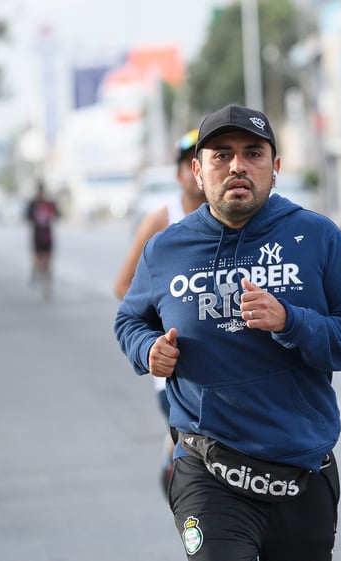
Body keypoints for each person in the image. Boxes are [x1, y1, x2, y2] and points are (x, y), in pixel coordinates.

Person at [114, 104, 341, 560]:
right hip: (206, 467)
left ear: (274, 168)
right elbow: (129, 321)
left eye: (253, 153)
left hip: (300, 468)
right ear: (198, 171)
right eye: (221, 155)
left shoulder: (317, 236)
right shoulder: (166, 249)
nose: (237, 165)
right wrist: (146, 349)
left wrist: (290, 321)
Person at [113, 128, 207, 493]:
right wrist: (158, 336)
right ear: (182, 173)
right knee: (192, 443)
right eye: (189, 164)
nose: (197, 173)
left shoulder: (237, 220)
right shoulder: (161, 221)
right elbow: (125, 286)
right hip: (173, 369)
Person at [25, 182, 61, 297]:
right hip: (37, 236)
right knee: (38, 259)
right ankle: (36, 273)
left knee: (48, 263)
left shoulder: (49, 203)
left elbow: (58, 214)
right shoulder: (33, 203)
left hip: (47, 237)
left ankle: (47, 285)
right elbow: (27, 216)